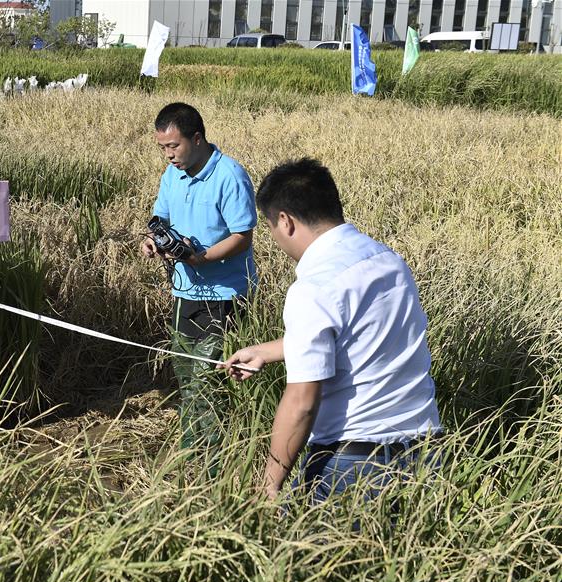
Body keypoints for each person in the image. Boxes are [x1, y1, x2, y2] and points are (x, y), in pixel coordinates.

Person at [222, 158, 441, 503]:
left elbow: (302, 403)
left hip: (352, 466)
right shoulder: (389, 261)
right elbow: (360, 335)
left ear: (285, 221)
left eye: (271, 229)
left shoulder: (314, 286)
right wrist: (267, 351)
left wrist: (269, 485)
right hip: (425, 455)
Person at [140, 102, 257, 475]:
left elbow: (242, 236)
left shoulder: (229, 176)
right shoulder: (171, 176)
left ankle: (217, 465)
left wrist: (202, 258)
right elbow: (160, 219)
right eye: (162, 148)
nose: (168, 155)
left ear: (197, 138)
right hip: (184, 294)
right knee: (187, 377)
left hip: (224, 296)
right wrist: (153, 241)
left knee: (210, 383)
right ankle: (193, 452)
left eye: (173, 146)